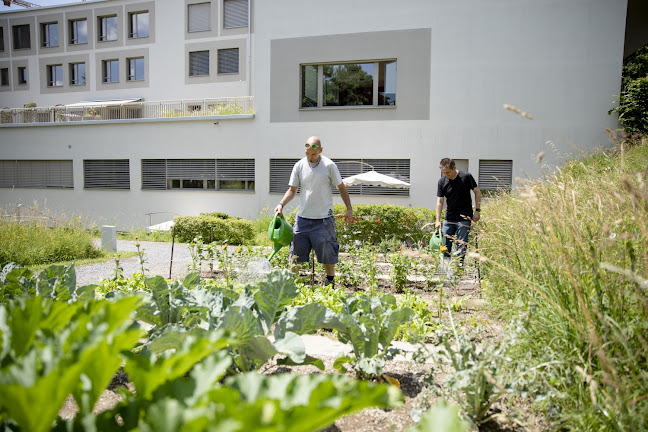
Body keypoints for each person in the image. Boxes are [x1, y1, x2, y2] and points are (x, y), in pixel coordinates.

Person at [274, 136, 353, 287]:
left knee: (328, 255)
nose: (310, 157)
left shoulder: (329, 165)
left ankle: (330, 284)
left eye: (313, 154)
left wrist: (349, 209)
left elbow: (341, 188)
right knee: (295, 255)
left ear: (321, 150)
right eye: (307, 154)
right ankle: (291, 287)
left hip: (324, 220)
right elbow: (292, 190)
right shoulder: (299, 166)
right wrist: (281, 204)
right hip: (302, 220)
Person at [435, 158, 481, 264]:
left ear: (454, 168)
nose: (446, 175)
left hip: (464, 216)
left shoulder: (466, 177)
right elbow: (440, 201)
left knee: (462, 244)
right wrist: (437, 220)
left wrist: (477, 211)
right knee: (445, 244)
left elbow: (477, 192)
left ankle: (458, 269)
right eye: (444, 173)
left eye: (448, 172)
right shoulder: (442, 181)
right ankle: (445, 268)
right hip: (449, 217)